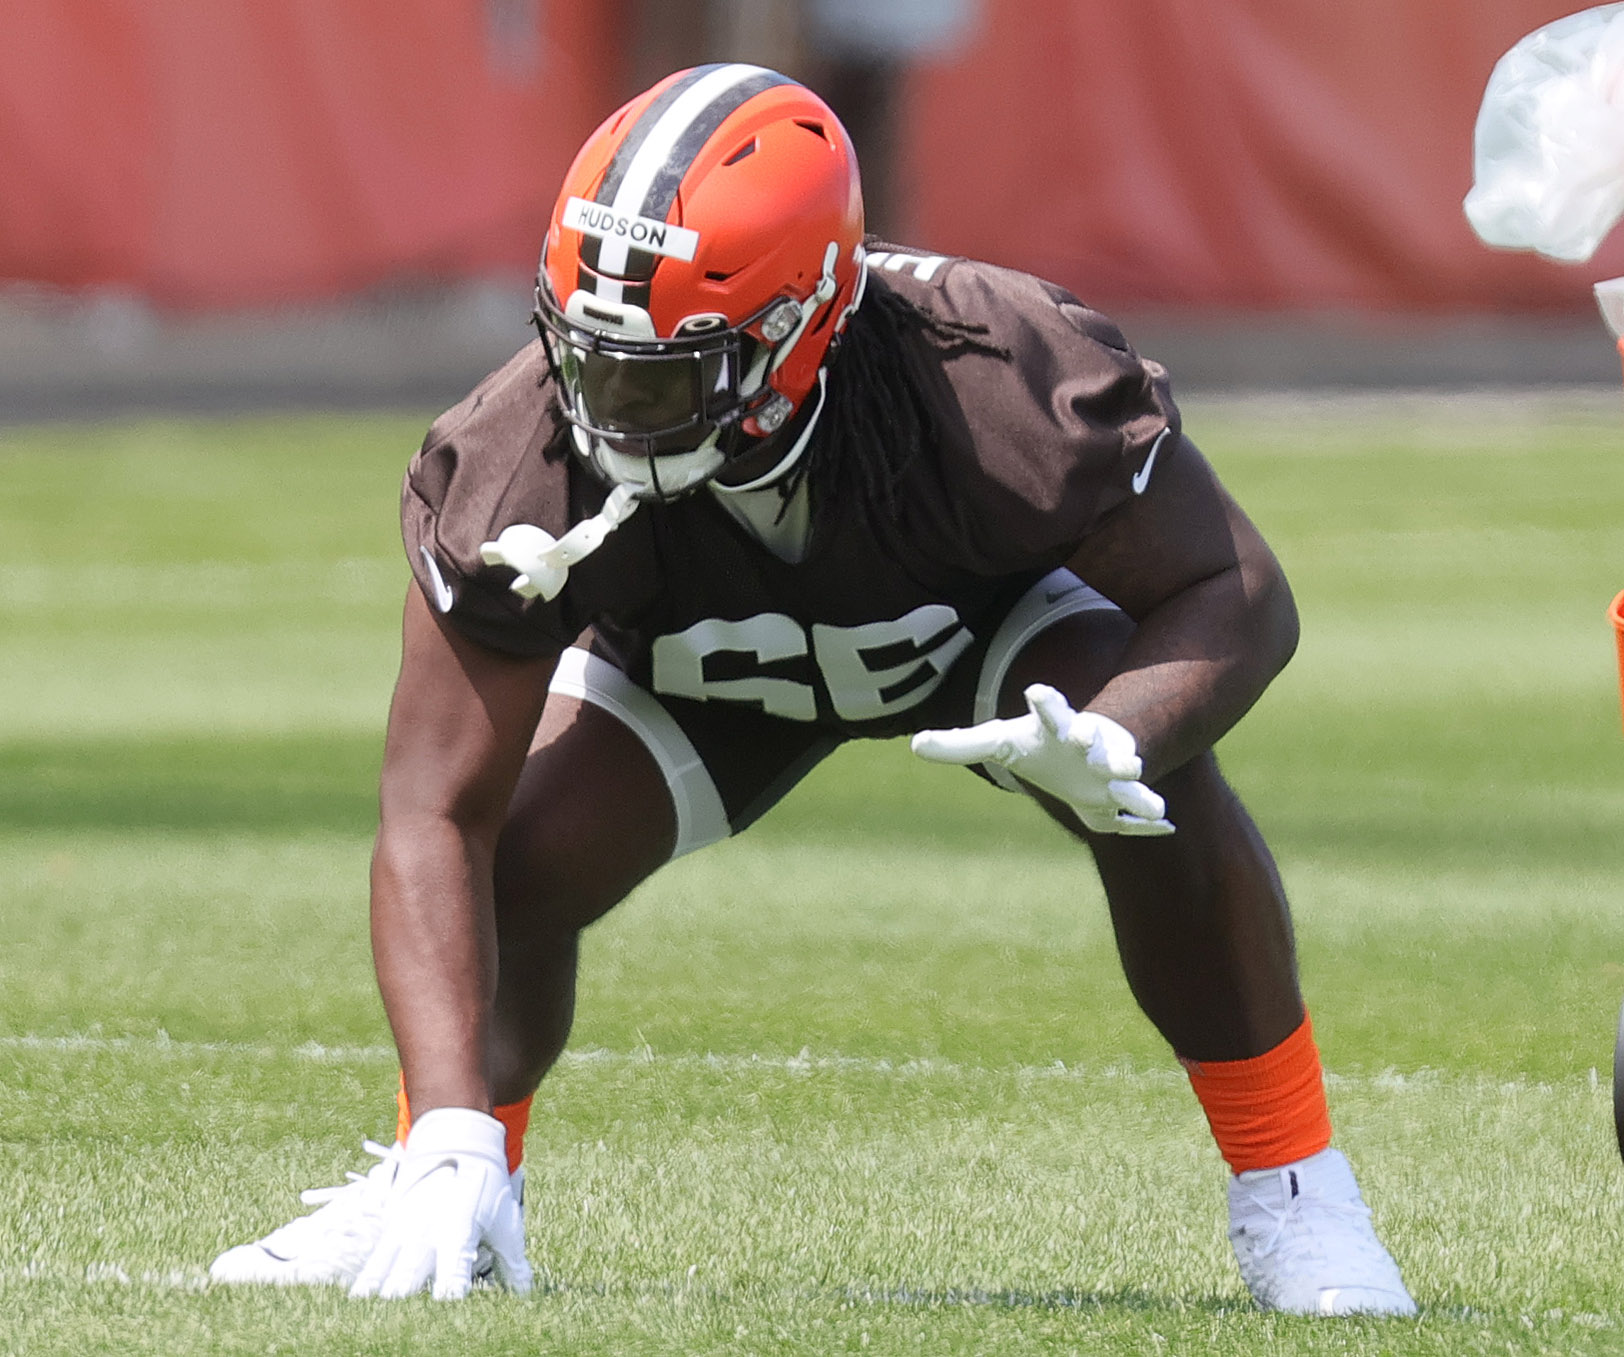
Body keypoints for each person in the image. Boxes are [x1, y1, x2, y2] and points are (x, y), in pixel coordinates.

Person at [210, 63, 1416, 1314]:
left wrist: (1119, 736)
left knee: (1148, 788)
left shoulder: (991, 372)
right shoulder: (521, 453)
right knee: (517, 855)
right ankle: (450, 1179)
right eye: (586, 352)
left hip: (978, 621)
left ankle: (1296, 1186)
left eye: (658, 373)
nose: (603, 409)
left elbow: (1236, 589)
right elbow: (430, 816)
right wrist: (446, 1130)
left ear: (802, 328)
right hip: (704, 662)